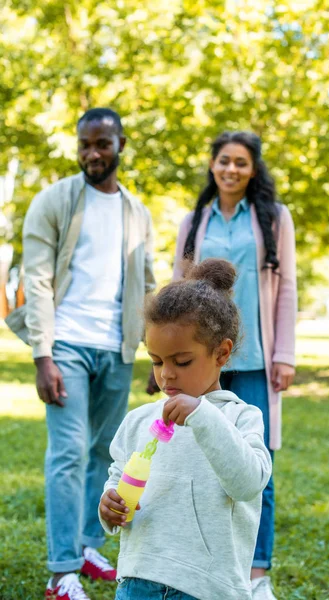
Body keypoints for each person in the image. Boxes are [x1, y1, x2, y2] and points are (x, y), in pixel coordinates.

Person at [5, 108, 155, 600]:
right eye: (85, 145)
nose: (93, 154)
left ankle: (91, 547)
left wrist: (153, 352)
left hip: (116, 346)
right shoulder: (55, 200)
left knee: (103, 451)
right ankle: (60, 571)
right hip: (66, 342)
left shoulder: (137, 212)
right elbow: (39, 278)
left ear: (120, 145)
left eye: (102, 145)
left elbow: (147, 284)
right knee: (68, 453)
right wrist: (43, 356)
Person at [99, 258, 272, 600]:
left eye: (182, 361)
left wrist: (203, 415)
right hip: (138, 580)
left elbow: (249, 483)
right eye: (157, 361)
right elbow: (119, 475)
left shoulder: (241, 417)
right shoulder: (138, 421)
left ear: (221, 353)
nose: (166, 375)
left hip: (206, 587)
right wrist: (109, 503)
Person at [171, 131, 297, 600]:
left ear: (253, 169)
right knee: (200, 457)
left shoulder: (274, 218)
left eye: (241, 163)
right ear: (212, 165)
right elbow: (178, 287)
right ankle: (206, 562)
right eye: (224, 160)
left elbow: (287, 290)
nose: (231, 170)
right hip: (206, 358)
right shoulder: (195, 221)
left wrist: (284, 355)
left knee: (255, 462)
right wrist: (169, 353)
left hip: (256, 358)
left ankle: (256, 573)